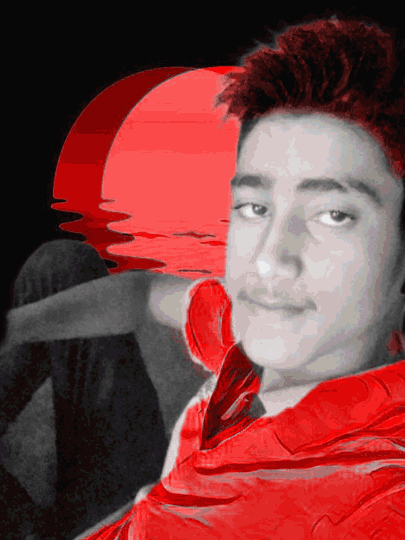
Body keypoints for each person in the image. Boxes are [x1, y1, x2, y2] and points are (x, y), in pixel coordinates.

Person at [4, 16, 405, 539]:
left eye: (334, 215)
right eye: (256, 206)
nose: (268, 261)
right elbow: (143, 293)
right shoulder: (296, 339)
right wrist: (12, 328)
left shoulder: (360, 496)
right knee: (60, 264)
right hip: (142, 491)